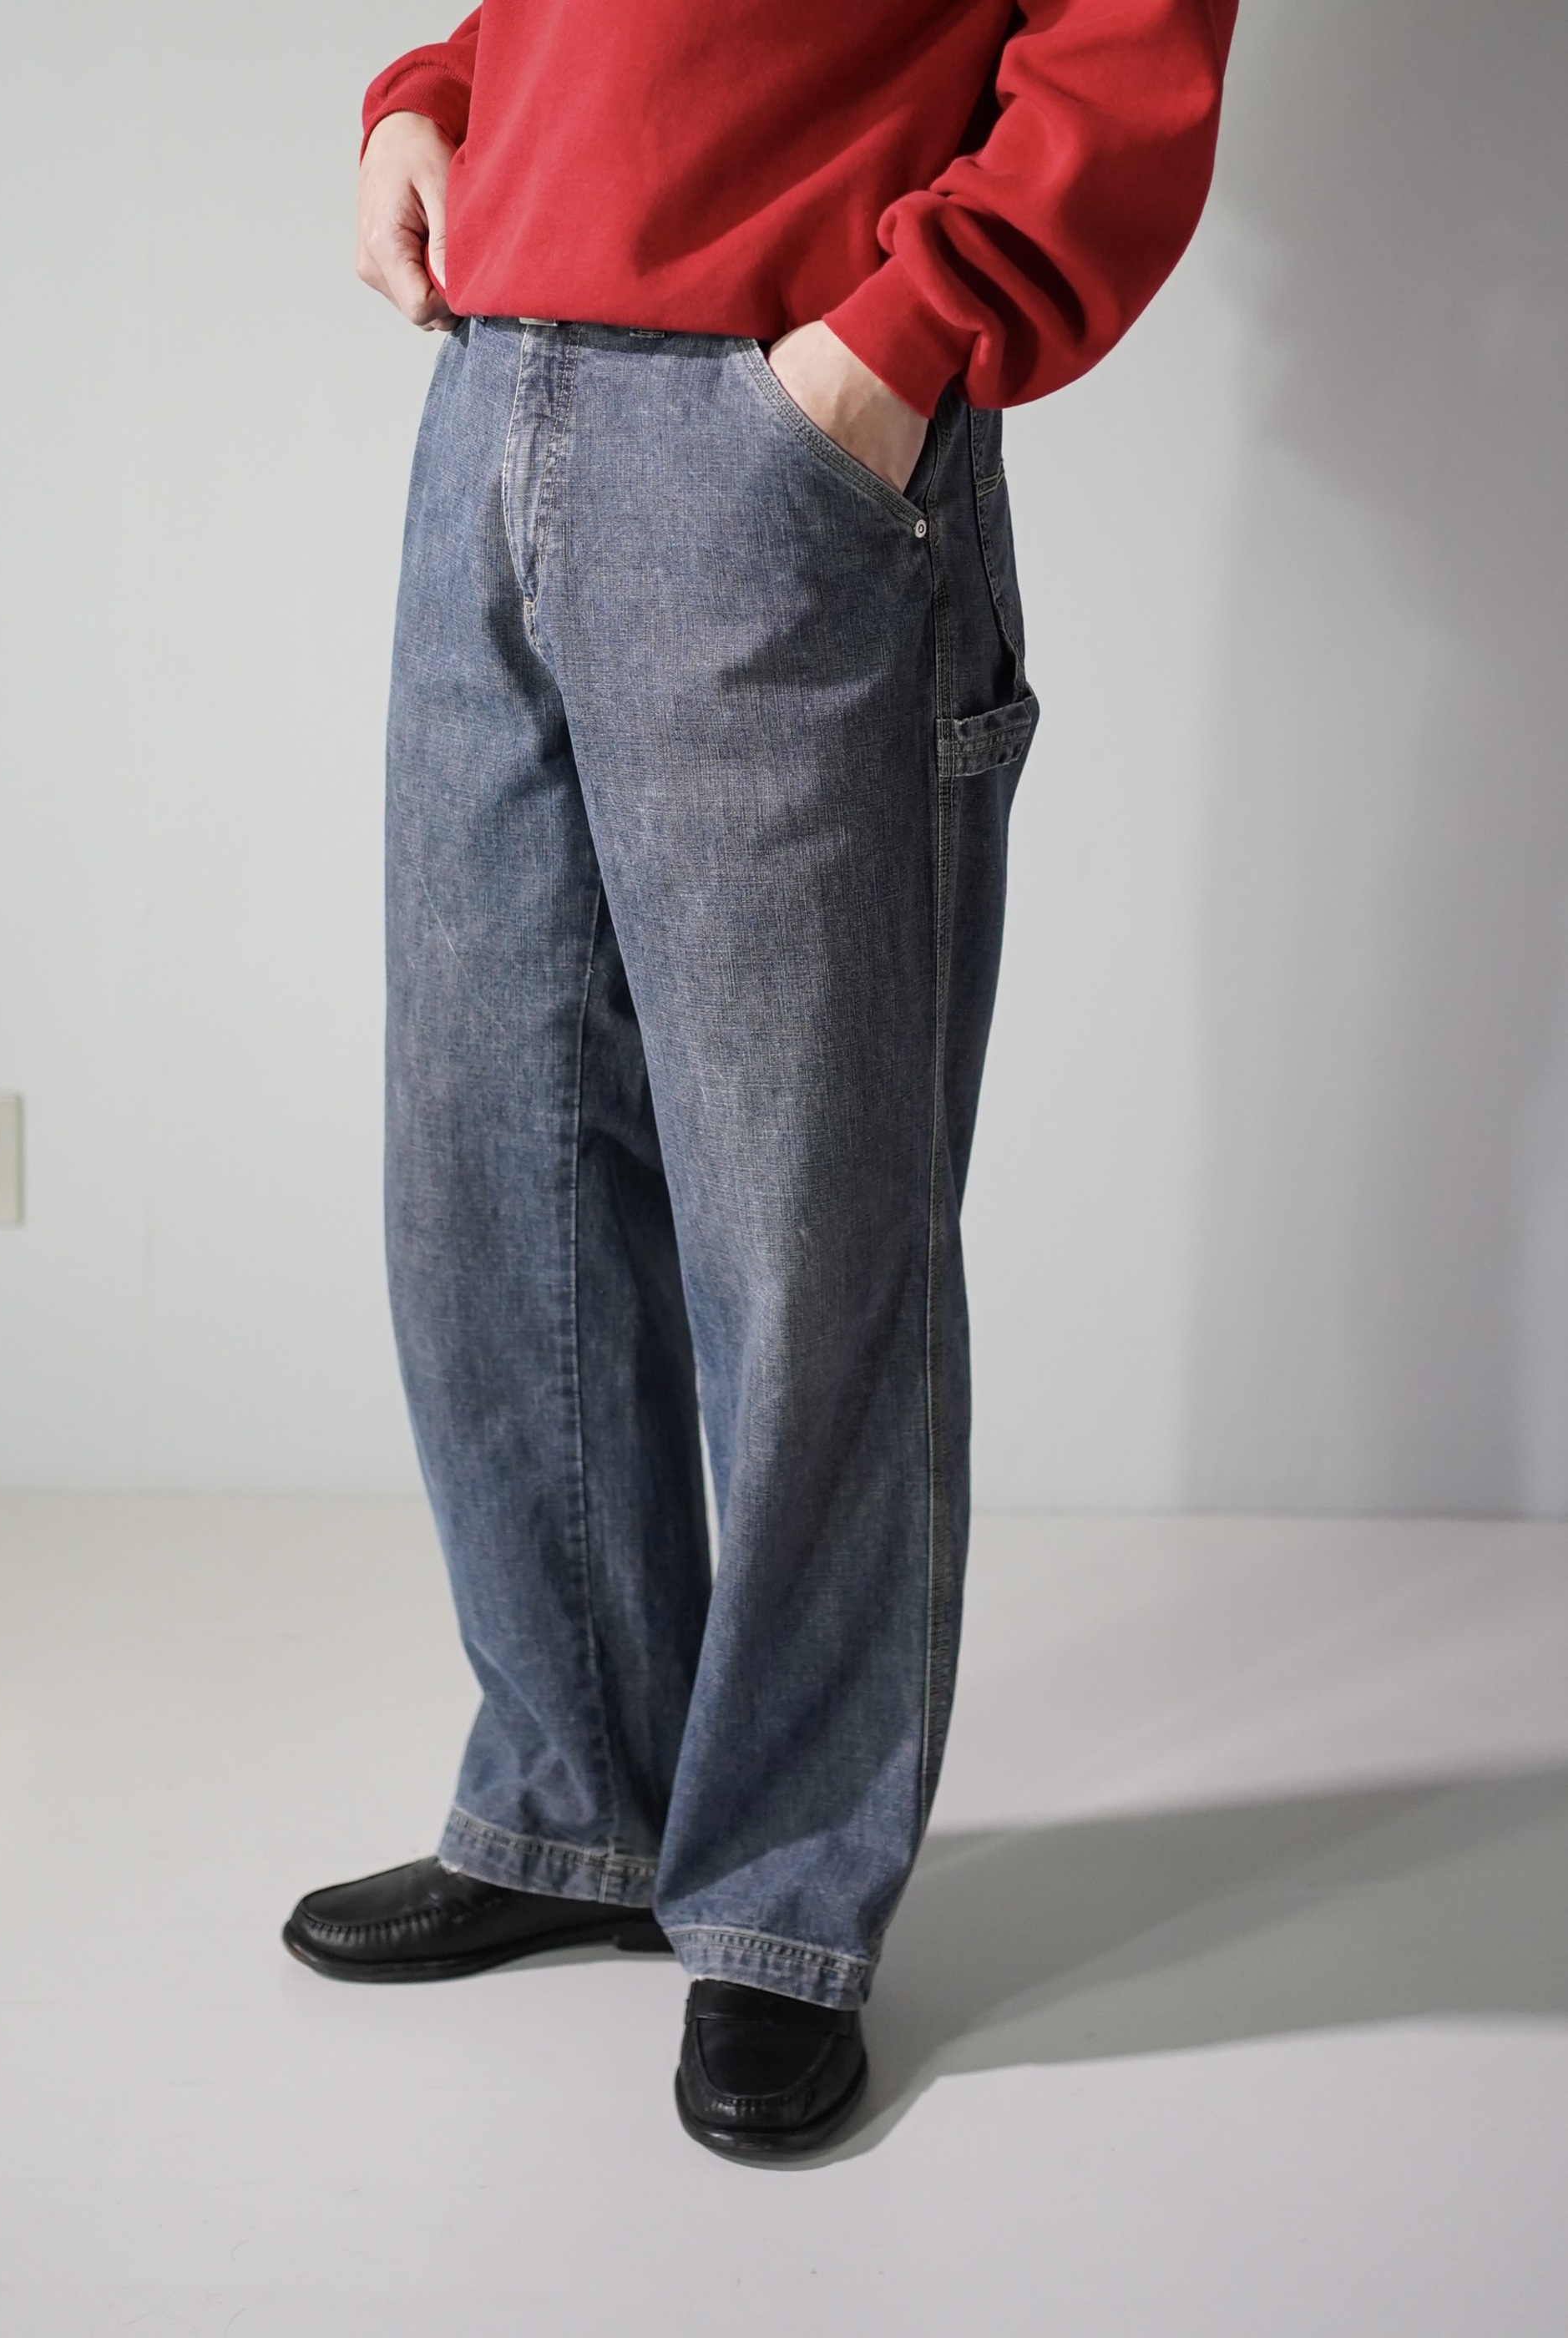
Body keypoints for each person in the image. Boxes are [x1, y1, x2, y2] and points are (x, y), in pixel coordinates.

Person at [285, 0, 1236, 2161]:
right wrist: (438, 99)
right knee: (491, 1167)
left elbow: (1127, 42)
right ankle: (576, 1808)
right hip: (493, 394)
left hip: (779, 424)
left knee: (805, 1216)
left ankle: (785, 1905)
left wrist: (898, 341)